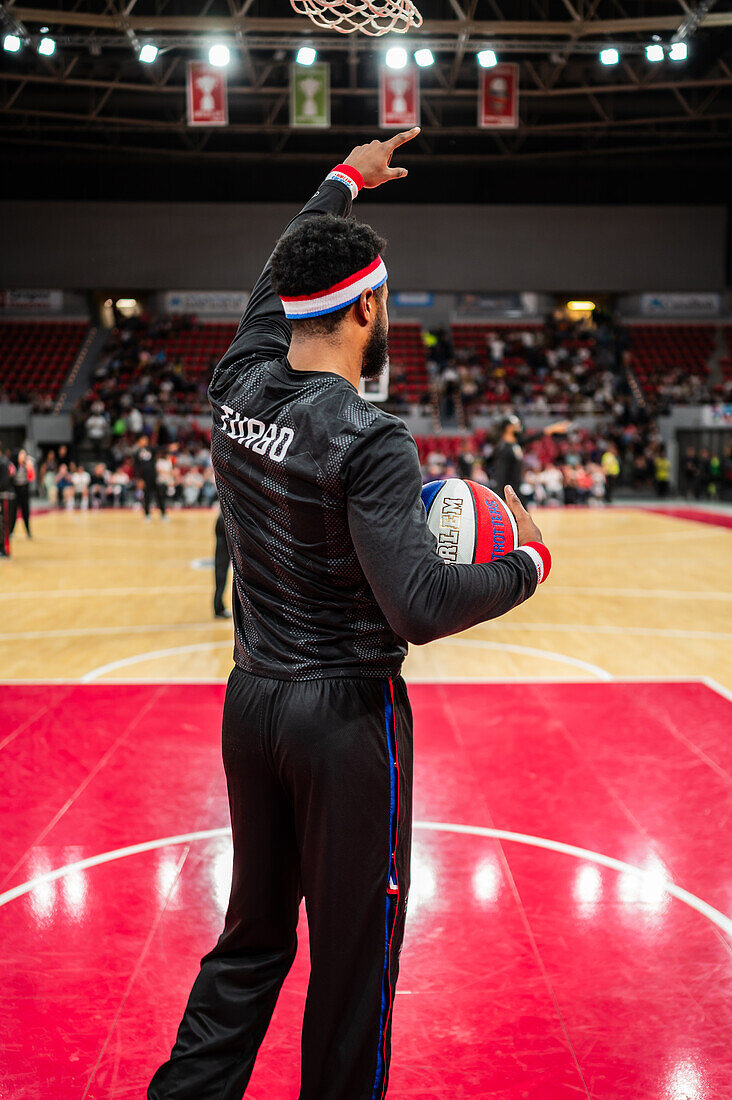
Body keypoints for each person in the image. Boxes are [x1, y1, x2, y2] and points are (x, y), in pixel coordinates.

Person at [148, 131, 552, 1100]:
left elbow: (280, 269)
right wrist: (528, 563)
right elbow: (416, 604)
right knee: (352, 964)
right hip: (343, 722)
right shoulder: (370, 437)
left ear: (290, 304)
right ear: (371, 304)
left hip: (251, 703)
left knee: (249, 939)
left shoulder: (235, 380)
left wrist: (339, 183)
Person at [491, 414, 570, 504]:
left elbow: (533, 438)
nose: (519, 427)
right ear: (509, 428)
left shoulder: (515, 444)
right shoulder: (504, 448)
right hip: (509, 493)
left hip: (516, 489)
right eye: (516, 425)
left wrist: (551, 429)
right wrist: (502, 496)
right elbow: (501, 474)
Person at [134, 435, 167, 520]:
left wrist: (169, 447)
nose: (145, 441)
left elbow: (160, 448)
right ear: (139, 441)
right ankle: (147, 514)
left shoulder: (150, 449)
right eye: (143, 439)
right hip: (144, 478)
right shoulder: (137, 453)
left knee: (159, 495)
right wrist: (139, 479)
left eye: (146, 439)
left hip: (153, 476)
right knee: (147, 496)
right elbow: (136, 467)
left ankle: (163, 514)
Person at [9, 448, 34, 538]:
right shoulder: (13, 465)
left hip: (24, 492)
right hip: (16, 492)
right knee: (13, 513)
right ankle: (11, 531)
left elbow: (31, 478)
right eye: (21, 454)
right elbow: (10, 476)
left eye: (24, 455)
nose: (23, 456)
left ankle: (28, 532)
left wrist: (29, 467)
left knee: (25, 512)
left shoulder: (27, 466)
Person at [213, 505, 231, 619]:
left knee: (220, 567)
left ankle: (218, 606)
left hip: (223, 517)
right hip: (228, 519)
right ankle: (218, 607)